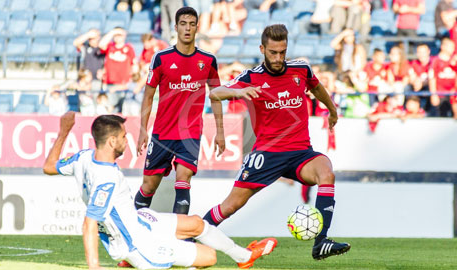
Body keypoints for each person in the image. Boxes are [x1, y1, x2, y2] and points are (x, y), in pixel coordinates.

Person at [43, 112, 277, 269]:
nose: (128, 140)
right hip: (137, 242)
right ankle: (134, 263)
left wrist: (64, 131)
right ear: (112, 141)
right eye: (124, 136)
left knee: (195, 222)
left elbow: (49, 167)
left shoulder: (83, 157)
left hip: (138, 220)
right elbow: (89, 224)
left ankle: (245, 258)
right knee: (209, 257)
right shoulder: (107, 178)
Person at [201, 24, 351, 260]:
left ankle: (321, 242)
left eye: (282, 52)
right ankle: (192, 237)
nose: (279, 58)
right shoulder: (251, 77)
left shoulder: (301, 70)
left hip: (300, 153)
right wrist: (239, 92)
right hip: (267, 154)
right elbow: (215, 93)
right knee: (230, 206)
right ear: (262, 49)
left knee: (326, 171)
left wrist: (331, 110)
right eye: (273, 52)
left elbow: (317, 87)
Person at [134, 7, 226, 215]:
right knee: (149, 186)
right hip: (162, 133)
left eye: (191, 24)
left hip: (190, 133)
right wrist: (142, 130)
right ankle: (130, 230)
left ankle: (179, 238)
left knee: (183, 180)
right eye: (183, 24)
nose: (187, 28)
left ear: (196, 28)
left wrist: (220, 132)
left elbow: (217, 95)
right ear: (176, 27)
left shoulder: (208, 60)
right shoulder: (161, 58)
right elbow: (148, 96)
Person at [99, 27, 138, 113]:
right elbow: (101, 44)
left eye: (119, 35)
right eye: (116, 35)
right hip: (111, 84)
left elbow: (134, 66)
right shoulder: (110, 47)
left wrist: (132, 81)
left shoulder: (129, 48)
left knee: (124, 111)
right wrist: (112, 32)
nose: (117, 37)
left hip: (124, 84)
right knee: (111, 110)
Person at [428, 37, 457, 117]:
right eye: (450, 47)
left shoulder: (453, 61)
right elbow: (432, 78)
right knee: (442, 116)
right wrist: (433, 94)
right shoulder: (436, 61)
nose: (453, 49)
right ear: (443, 47)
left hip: (453, 95)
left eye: (453, 47)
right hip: (440, 94)